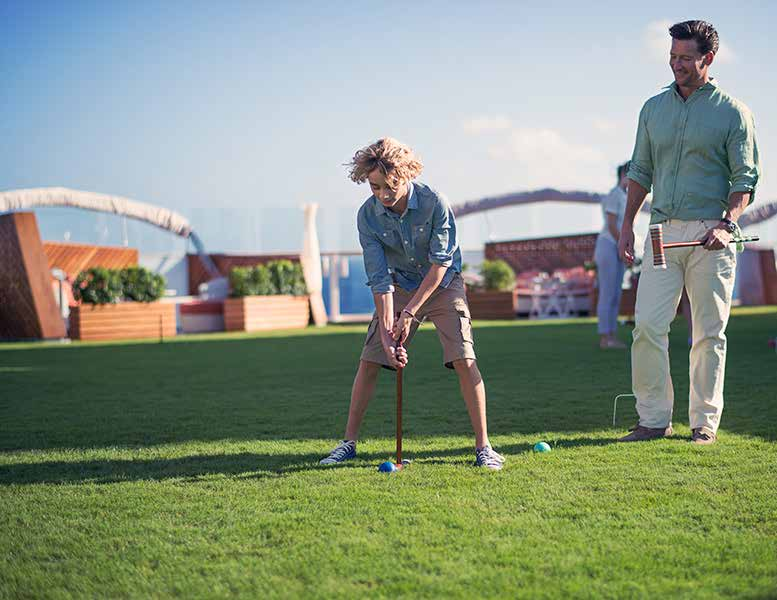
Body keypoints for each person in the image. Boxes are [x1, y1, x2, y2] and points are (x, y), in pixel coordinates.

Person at [319, 137, 505, 470]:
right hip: (400, 286)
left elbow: (440, 264)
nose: (383, 195)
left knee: (464, 357)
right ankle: (348, 443)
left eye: (390, 186)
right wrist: (389, 337)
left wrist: (409, 314)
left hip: (443, 285)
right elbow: (379, 279)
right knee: (371, 359)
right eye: (375, 187)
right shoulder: (368, 217)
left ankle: (484, 447)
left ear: (406, 175)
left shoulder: (435, 203)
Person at [618, 20, 759, 445]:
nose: (676, 64)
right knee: (646, 326)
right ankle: (653, 420)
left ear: (708, 59)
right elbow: (640, 171)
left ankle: (704, 423)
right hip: (661, 232)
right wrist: (627, 225)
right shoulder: (652, 109)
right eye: (672, 56)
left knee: (708, 332)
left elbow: (744, 179)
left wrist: (727, 223)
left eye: (685, 58)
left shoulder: (734, 112)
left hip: (711, 236)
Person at [594, 162, 630, 349]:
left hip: (617, 247)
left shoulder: (625, 196)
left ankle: (611, 336)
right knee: (607, 294)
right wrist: (625, 245)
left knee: (616, 293)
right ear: (624, 174)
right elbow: (611, 225)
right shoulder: (614, 195)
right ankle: (604, 337)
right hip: (608, 246)